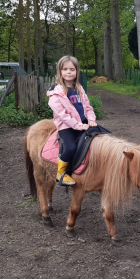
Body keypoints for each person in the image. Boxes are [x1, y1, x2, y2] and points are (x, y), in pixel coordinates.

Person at [47, 55, 97, 185]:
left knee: (97, 141)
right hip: (66, 126)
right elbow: (62, 114)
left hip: (83, 123)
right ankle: (61, 173)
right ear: (60, 71)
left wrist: (91, 119)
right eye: (65, 69)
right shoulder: (56, 92)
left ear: (77, 71)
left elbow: (87, 106)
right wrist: (78, 126)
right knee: (70, 147)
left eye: (72, 69)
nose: (69, 72)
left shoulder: (79, 88)